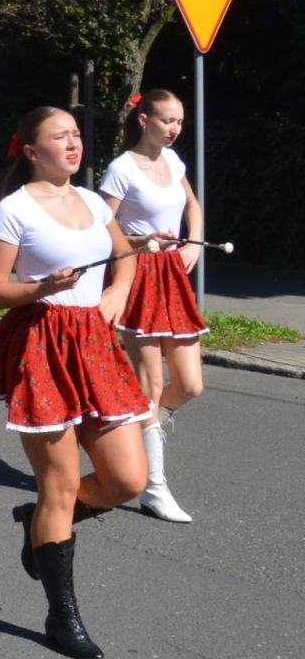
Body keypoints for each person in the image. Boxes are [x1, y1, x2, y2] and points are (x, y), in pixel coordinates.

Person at [0, 106, 151, 659]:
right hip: (41, 344)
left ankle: (37, 524)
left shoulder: (96, 201)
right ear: (31, 150)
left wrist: (117, 293)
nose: (73, 144)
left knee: (127, 479)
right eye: (60, 136)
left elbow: (124, 258)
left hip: (95, 344)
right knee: (58, 485)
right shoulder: (13, 211)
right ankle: (62, 616)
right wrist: (39, 288)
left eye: (76, 135)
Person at [99, 89, 207, 523]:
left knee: (190, 385)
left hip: (173, 277)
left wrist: (194, 244)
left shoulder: (173, 162)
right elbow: (101, 229)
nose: (175, 129)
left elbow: (193, 205)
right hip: (138, 275)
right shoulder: (121, 169)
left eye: (179, 121)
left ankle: (147, 427)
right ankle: (154, 487)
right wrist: (139, 241)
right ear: (144, 120)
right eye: (167, 121)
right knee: (149, 384)